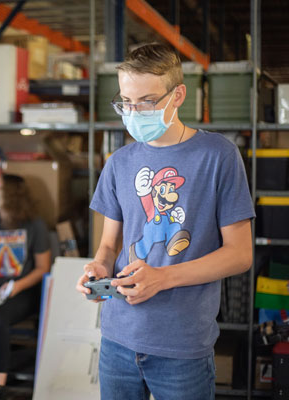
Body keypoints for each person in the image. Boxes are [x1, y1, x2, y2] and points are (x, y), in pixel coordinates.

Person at [75, 43, 255, 400]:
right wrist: (98, 267)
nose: (134, 111)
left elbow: (239, 254)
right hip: (117, 340)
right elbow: (110, 244)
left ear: (178, 95)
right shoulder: (119, 162)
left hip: (182, 345)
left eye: (146, 101)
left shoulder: (218, 156)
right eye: (126, 101)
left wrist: (163, 278)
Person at [0, 174, 51, 400]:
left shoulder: (34, 225)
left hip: (23, 290)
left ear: (12, 195)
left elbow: (42, 267)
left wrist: (16, 286)